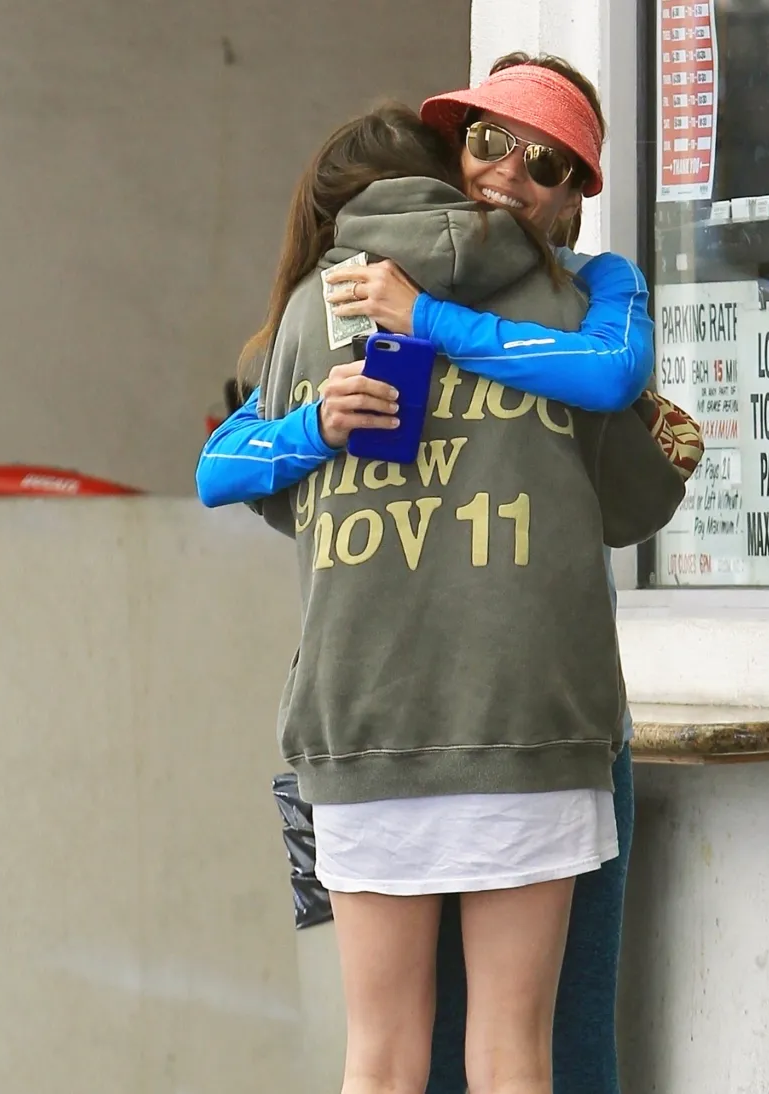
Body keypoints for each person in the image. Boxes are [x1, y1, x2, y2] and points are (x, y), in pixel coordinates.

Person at [201, 93, 678, 1094]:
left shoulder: (312, 312)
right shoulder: (570, 307)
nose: (510, 169)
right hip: (529, 715)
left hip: (364, 716)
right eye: (492, 141)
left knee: (378, 1057)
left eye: (544, 161)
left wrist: (324, 427)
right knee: (515, 1054)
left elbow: (247, 486)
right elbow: (636, 497)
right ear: (451, 153)